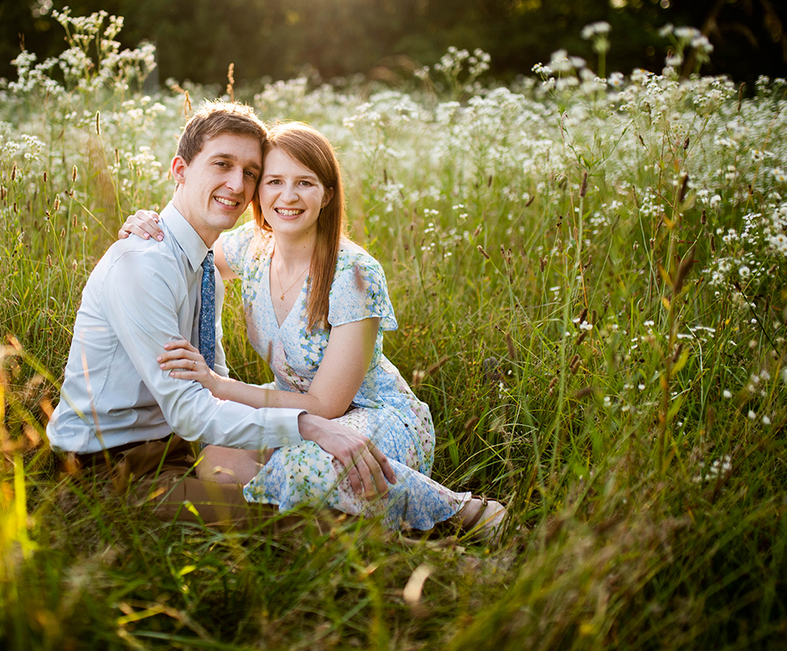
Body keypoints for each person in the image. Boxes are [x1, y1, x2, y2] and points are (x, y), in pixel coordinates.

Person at [120, 121, 506, 538]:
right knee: (217, 466)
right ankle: (347, 520)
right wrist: (149, 222)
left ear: (327, 194)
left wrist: (217, 384)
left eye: (304, 182)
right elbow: (189, 240)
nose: (288, 196)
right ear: (258, 192)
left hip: (370, 415)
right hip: (292, 410)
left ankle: (463, 513)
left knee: (301, 470)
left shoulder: (354, 272)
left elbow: (325, 406)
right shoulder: (250, 246)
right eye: (274, 182)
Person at [46, 101, 397, 525]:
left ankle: (446, 514)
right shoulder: (145, 264)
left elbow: (211, 386)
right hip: (108, 468)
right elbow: (189, 408)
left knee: (292, 484)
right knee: (290, 519)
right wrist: (309, 425)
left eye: (250, 172)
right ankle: (442, 550)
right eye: (222, 164)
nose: (236, 184)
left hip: (173, 451)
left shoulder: (203, 262)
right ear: (180, 169)